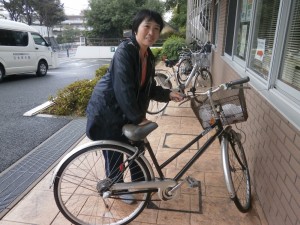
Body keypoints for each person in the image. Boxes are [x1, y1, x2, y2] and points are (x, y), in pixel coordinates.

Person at [86, 9, 183, 204]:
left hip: (127, 111)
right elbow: (124, 89)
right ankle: (116, 189)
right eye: (146, 26)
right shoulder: (125, 52)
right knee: (114, 155)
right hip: (108, 111)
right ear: (136, 28)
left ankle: (140, 183)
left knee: (137, 148)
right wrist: (139, 118)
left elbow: (147, 87)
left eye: (156, 29)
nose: (151, 33)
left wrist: (168, 94)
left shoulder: (147, 55)